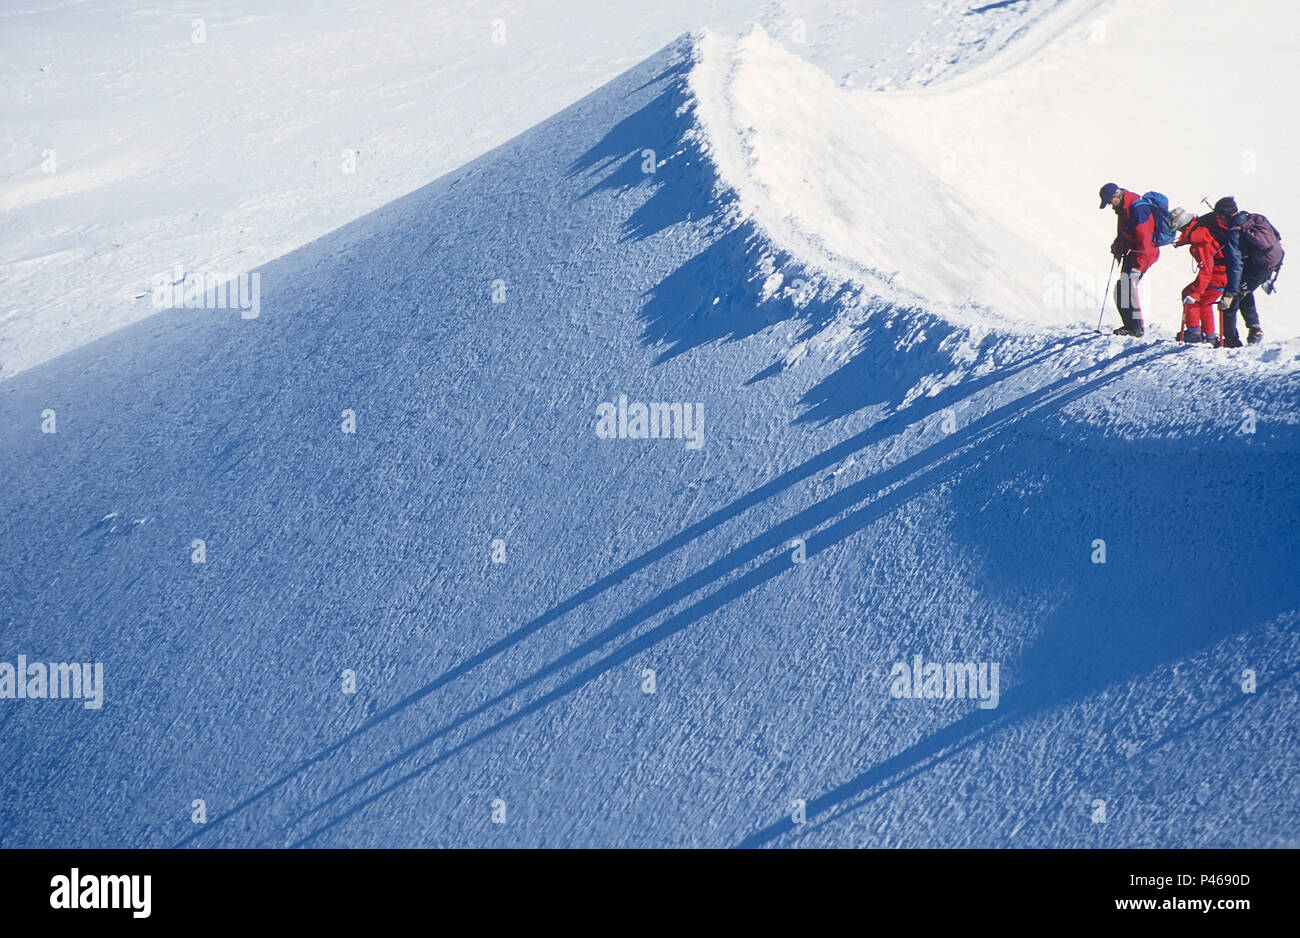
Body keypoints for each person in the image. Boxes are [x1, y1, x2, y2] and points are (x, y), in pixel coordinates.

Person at [1210, 196, 1282, 347]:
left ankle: (1230, 341)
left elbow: (1235, 265)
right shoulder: (1254, 218)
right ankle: (1255, 329)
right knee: (1245, 292)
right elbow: (1277, 237)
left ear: (1225, 215)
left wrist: (1229, 293)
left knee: (1230, 303)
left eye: (1219, 216)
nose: (1219, 220)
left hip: (1256, 269)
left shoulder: (1234, 233)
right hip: (1269, 265)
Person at [1099, 182, 1160, 337]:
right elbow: (1124, 234)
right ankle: (1131, 326)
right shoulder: (1123, 208)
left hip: (1143, 255)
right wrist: (1117, 246)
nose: (1111, 206)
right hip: (1134, 253)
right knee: (1122, 288)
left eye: (1110, 201)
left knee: (1127, 287)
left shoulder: (1137, 209)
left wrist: (1138, 266)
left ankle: (1136, 327)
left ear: (1116, 196)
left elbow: (1145, 240)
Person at [1169, 208, 1222, 346]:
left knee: (1191, 296)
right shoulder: (1200, 230)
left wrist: (1195, 293)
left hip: (1217, 277)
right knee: (1204, 301)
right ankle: (1210, 336)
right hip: (1222, 275)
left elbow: (1207, 269)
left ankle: (1194, 333)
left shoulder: (1200, 239)